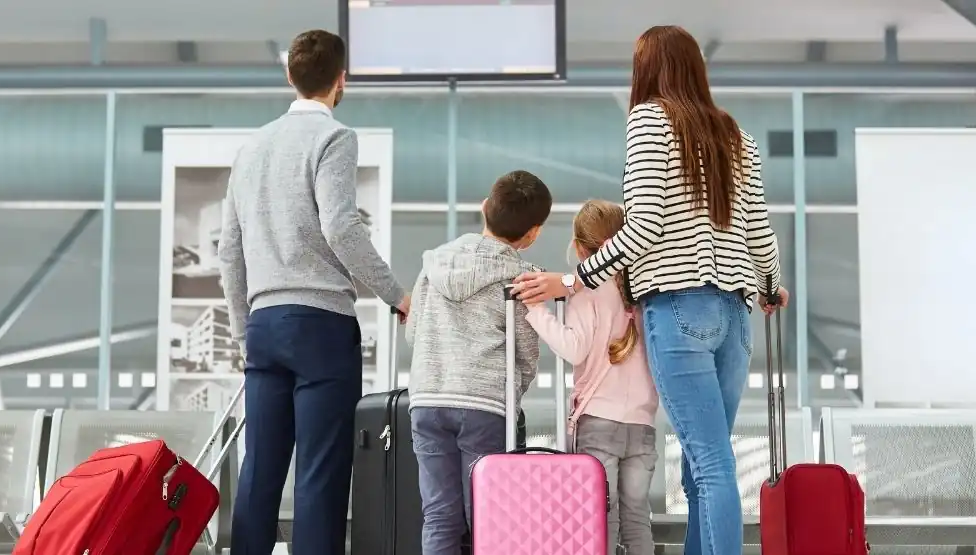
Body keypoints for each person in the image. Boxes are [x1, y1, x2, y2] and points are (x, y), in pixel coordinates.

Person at [512, 26, 790, 555]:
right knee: (704, 462)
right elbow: (758, 229)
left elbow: (642, 227)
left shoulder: (650, 121)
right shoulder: (738, 136)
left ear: (647, 70)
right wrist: (772, 285)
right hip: (735, 315)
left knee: (709, 463)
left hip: (679, 309)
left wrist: (573, 280)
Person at [217, 29, 410, 555]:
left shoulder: (250, 148)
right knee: (320, 475)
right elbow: (342, 228)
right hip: (320, 326)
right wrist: (397, 295)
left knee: (260, 471)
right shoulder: (334, 139)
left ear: (289, 76)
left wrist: (242, 334)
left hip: (263, 326)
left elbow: (229, 252)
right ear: (341, 80)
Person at [405, 170, 552, 555]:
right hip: (485, 404)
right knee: (487, 514)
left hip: (427, 399)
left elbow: (412, 333)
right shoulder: (522, 279)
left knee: (438, 514)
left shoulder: (433, 265)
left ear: (484, 207)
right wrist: (511, 394)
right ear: (534, 233)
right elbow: (526, 353)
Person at [522, 199, 659, 555]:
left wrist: (536, 311)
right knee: (636, 518)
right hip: (643, 424)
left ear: (581, 248)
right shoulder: (645, 292)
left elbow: (574, 349)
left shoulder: (587, 290)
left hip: (599, 422)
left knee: (602, 516)